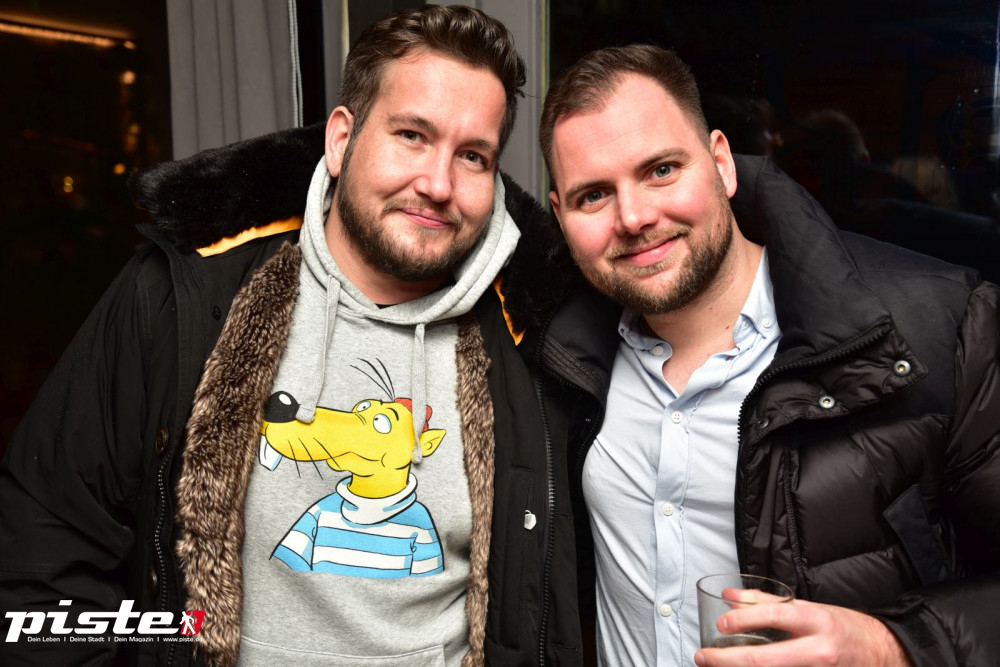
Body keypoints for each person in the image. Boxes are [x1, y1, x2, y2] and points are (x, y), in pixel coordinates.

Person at [0, 6, 601, 666]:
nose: (437, 184)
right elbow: (48, 543)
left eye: (473, 156)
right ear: (341, 140)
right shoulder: (180, 296)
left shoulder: (538, 341)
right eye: (411, 135)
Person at [539, 44, 1000, 667]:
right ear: (560, 215)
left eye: (662, 170)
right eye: (593, 195)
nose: (635, 216)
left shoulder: (939, 328)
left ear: (721, 163)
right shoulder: (562, 358)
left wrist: (894, 646)